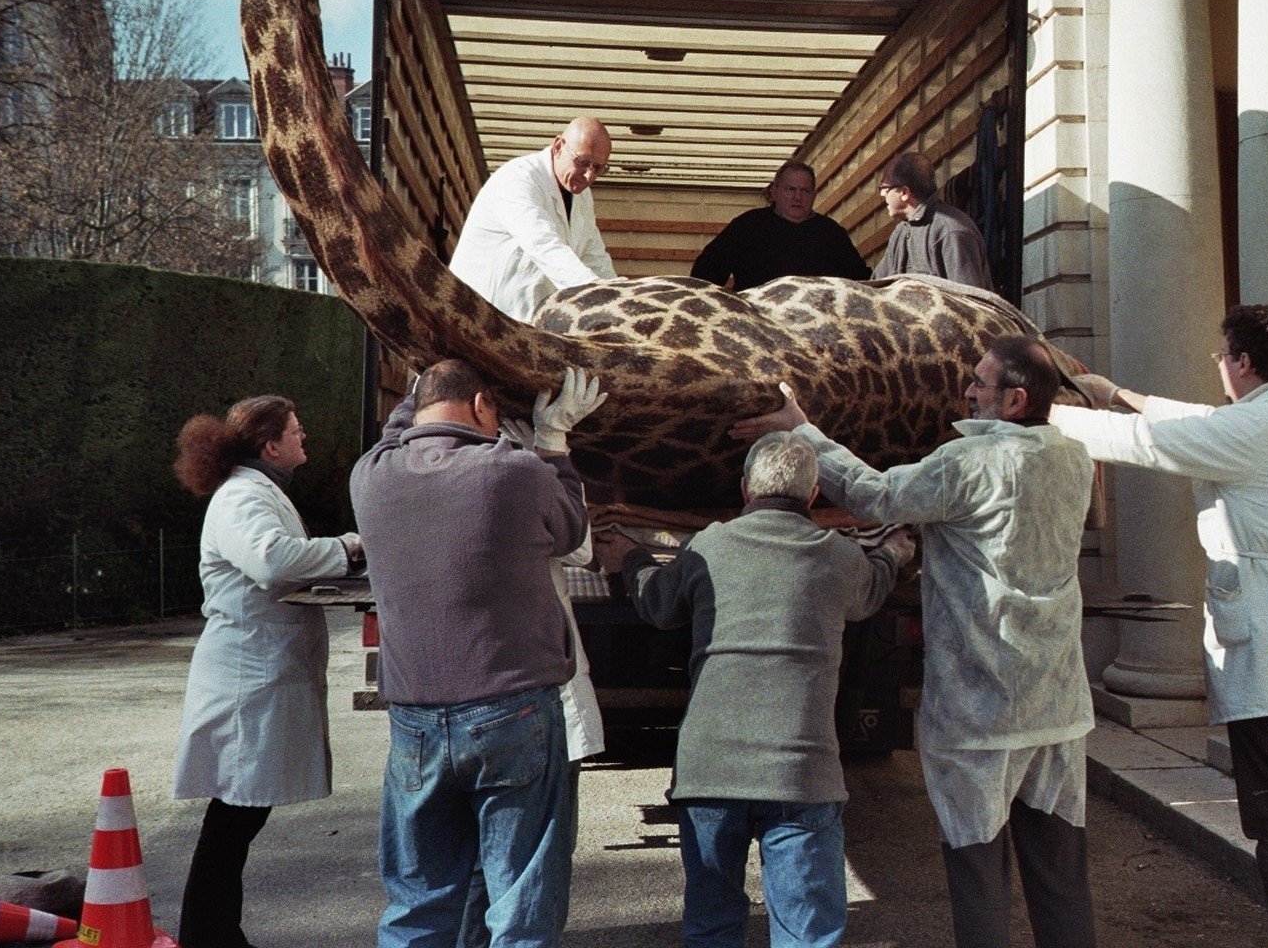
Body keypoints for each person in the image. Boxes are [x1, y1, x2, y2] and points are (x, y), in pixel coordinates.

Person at [732, 336, 1098, 948]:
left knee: (978, 869)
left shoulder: (967, 463)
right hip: (1058, 704)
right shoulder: (1074, 458)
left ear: (1014, 399)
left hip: (980, 709)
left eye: (979, 383)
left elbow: (876, 497)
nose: (967, 391)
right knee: (1060, 873)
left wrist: (808, 432)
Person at [1050, 304, 1268, 948]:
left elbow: (1149, 444)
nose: (1218, 366)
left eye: (1222, 355)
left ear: (1242, 362)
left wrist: (1041, 410)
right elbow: (1205, 421)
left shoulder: (1253, 431)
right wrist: (1121, 394)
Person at [596, 432, 915, 948]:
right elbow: (873, 588)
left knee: (712, 926)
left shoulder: (710, 545)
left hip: (710, 773)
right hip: (801, 777)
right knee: (806, 933)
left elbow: (657, 605)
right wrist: (893, 553)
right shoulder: (835, 556)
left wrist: (631, 559)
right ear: (813, 497)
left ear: (746, 489)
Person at [351, 359, 606, 948]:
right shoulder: (515, 472)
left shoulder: (370, 477)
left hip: (413, 721)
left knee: (418, 902)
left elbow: (398, 434)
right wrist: (555, 443)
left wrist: (415, 386)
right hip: (511, 710)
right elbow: (571, 533)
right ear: (485, 405)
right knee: (519, 903)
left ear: (416, 408)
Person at [171, 395, 364, 948]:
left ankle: (212, 934)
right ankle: (208, 937)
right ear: (270, 445)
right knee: (234, 815)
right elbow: (272, 560)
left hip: (260, 672)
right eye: (297, 431)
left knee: (239, 816)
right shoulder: (240, 496)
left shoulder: (257, 491)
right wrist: (349, 548)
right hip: (246, 677)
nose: (305, 438)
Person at [449, 117, 619, 322]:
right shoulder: (518, 178)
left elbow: (595, 256)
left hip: (523, 325)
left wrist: (620, 298)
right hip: (474, 315)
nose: (589, 175)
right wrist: (598, 295)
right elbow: (544, 245)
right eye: (582, 162)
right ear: (558, 147)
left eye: (598, 168)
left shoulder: (583, 196)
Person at [689, 161, 870, 291]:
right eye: (790, 189)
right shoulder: (748, 226)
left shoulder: (831, 233)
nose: (797, 197)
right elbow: (705, 273)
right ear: (774, 192)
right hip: (758, 323)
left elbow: (861, 282)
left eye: (805, 191)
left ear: (814, 195)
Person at [871, 151, 993, 290]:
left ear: (904, 193)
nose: (882, 194)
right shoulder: (900, 233)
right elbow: (875, 287)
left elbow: (971, 303)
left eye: (884, 188)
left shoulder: (951, 231)